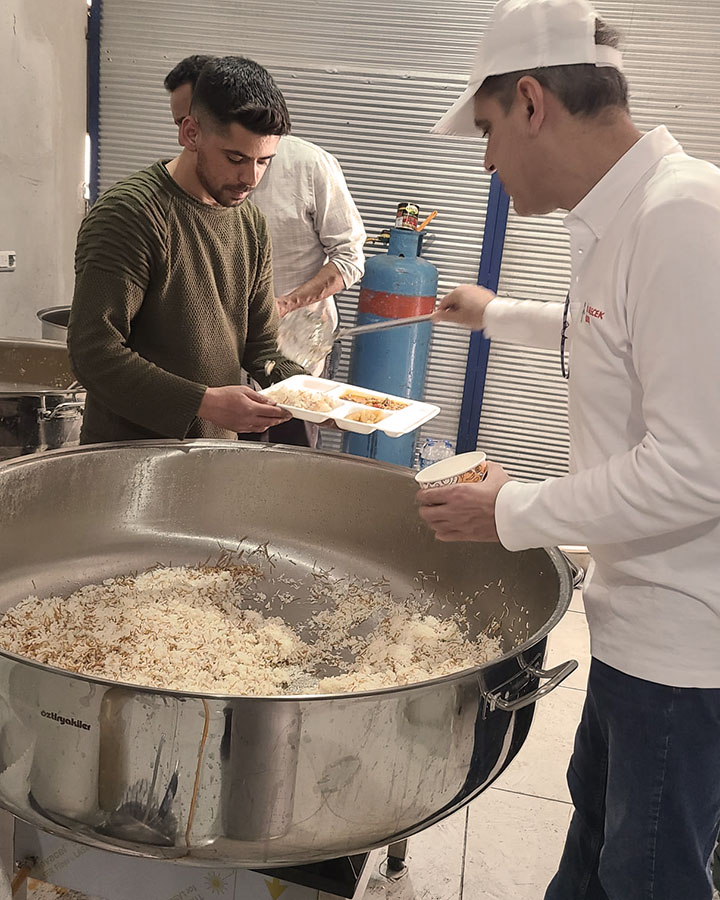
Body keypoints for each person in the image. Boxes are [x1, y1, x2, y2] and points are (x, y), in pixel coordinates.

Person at [419, 1, 720, 898]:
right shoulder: (627, 217)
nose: (485, 161)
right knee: (594, 847)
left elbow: (696, 465)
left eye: (486, 132)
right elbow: (609, 332)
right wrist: (494, 314)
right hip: (637, 624)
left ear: (530, 102)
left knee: (649, 870)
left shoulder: (684, 219)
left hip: (685, 645)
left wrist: (510, 509)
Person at [69, 56, 303, 444]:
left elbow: (261, 348)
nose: (251, 178)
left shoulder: (251, 225)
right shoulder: (131, 215)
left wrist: (314, 396)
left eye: (265, 161)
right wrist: (204, 403)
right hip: (126, 462)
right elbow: (92, 354)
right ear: (191, 133)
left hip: (214, 456)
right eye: (236, 158)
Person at [164, 55, 366, 447]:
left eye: (260, 162)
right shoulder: (179, 189)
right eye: (179, 125)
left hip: (293, 350)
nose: (185, 138)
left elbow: (349, 256)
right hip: (217, 369)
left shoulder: (310, 167)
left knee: (290, 468)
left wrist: (285, 304)